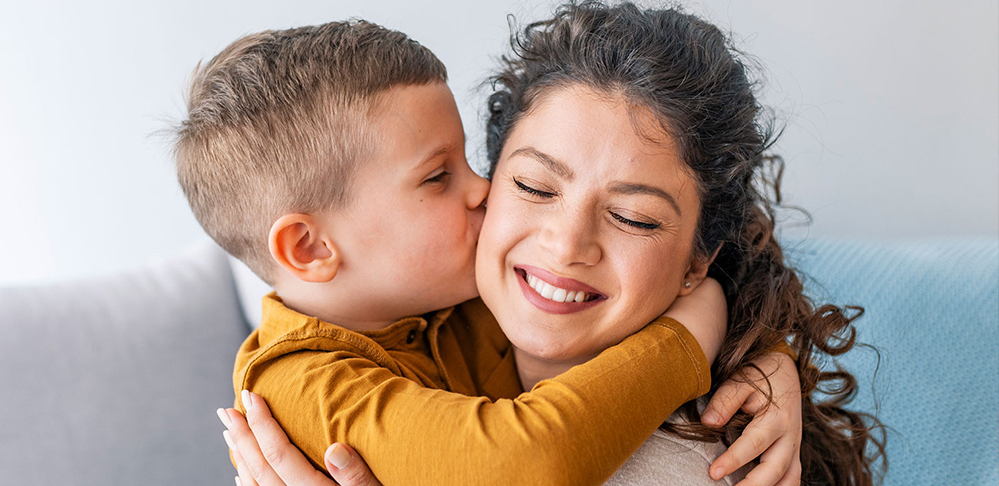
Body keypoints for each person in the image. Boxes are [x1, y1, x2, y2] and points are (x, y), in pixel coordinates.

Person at [218, 2, 885, 486]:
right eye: (534, 186)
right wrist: (710, 324)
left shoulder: (690, 467)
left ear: (697, 259)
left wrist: (739, 338)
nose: (566, 245)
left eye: (634, 217)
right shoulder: (387, 324)